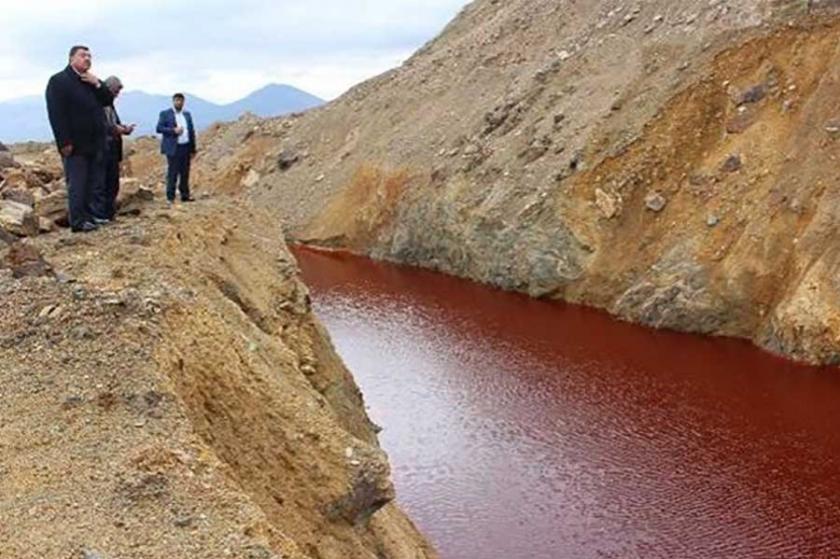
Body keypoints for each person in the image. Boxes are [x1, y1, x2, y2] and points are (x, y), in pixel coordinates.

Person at [45, 45, 113, 232]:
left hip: (95, 143)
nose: (88, 59)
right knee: (77, 183)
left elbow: (107, 100)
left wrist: (98, 83)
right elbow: (56, 114)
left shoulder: (90, 81)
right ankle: (78, 221)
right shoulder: (59, 81)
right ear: (71, 58)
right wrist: (64, 142)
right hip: (74, 144)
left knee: (93, 183)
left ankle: (90, 217)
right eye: (83, 55)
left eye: (90, 56)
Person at [101, 76, 135, 220]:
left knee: (113, 183)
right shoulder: (99, 104)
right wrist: (117, 129)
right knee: (103, 183)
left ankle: (110, 213)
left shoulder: (110, 105)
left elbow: (114, 123)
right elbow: (103, 125)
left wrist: (124, 129)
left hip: (113, 150)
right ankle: (102, 214)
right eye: (115, 91)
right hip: (103, 149)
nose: (117, 94)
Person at [156, 93, 196, 204]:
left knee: (185, 172)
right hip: (173, 147)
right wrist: (173, 130)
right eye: (177, 100)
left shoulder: (187, 114)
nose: (179, 102)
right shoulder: (165, 114)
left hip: (185, 146)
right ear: (173, 101)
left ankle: (185, 195)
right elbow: (159, 128)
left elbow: (191, 131)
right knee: (172, 172)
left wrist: (193, 149)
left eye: (181, 100)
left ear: (184, 102)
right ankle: (170, 197)